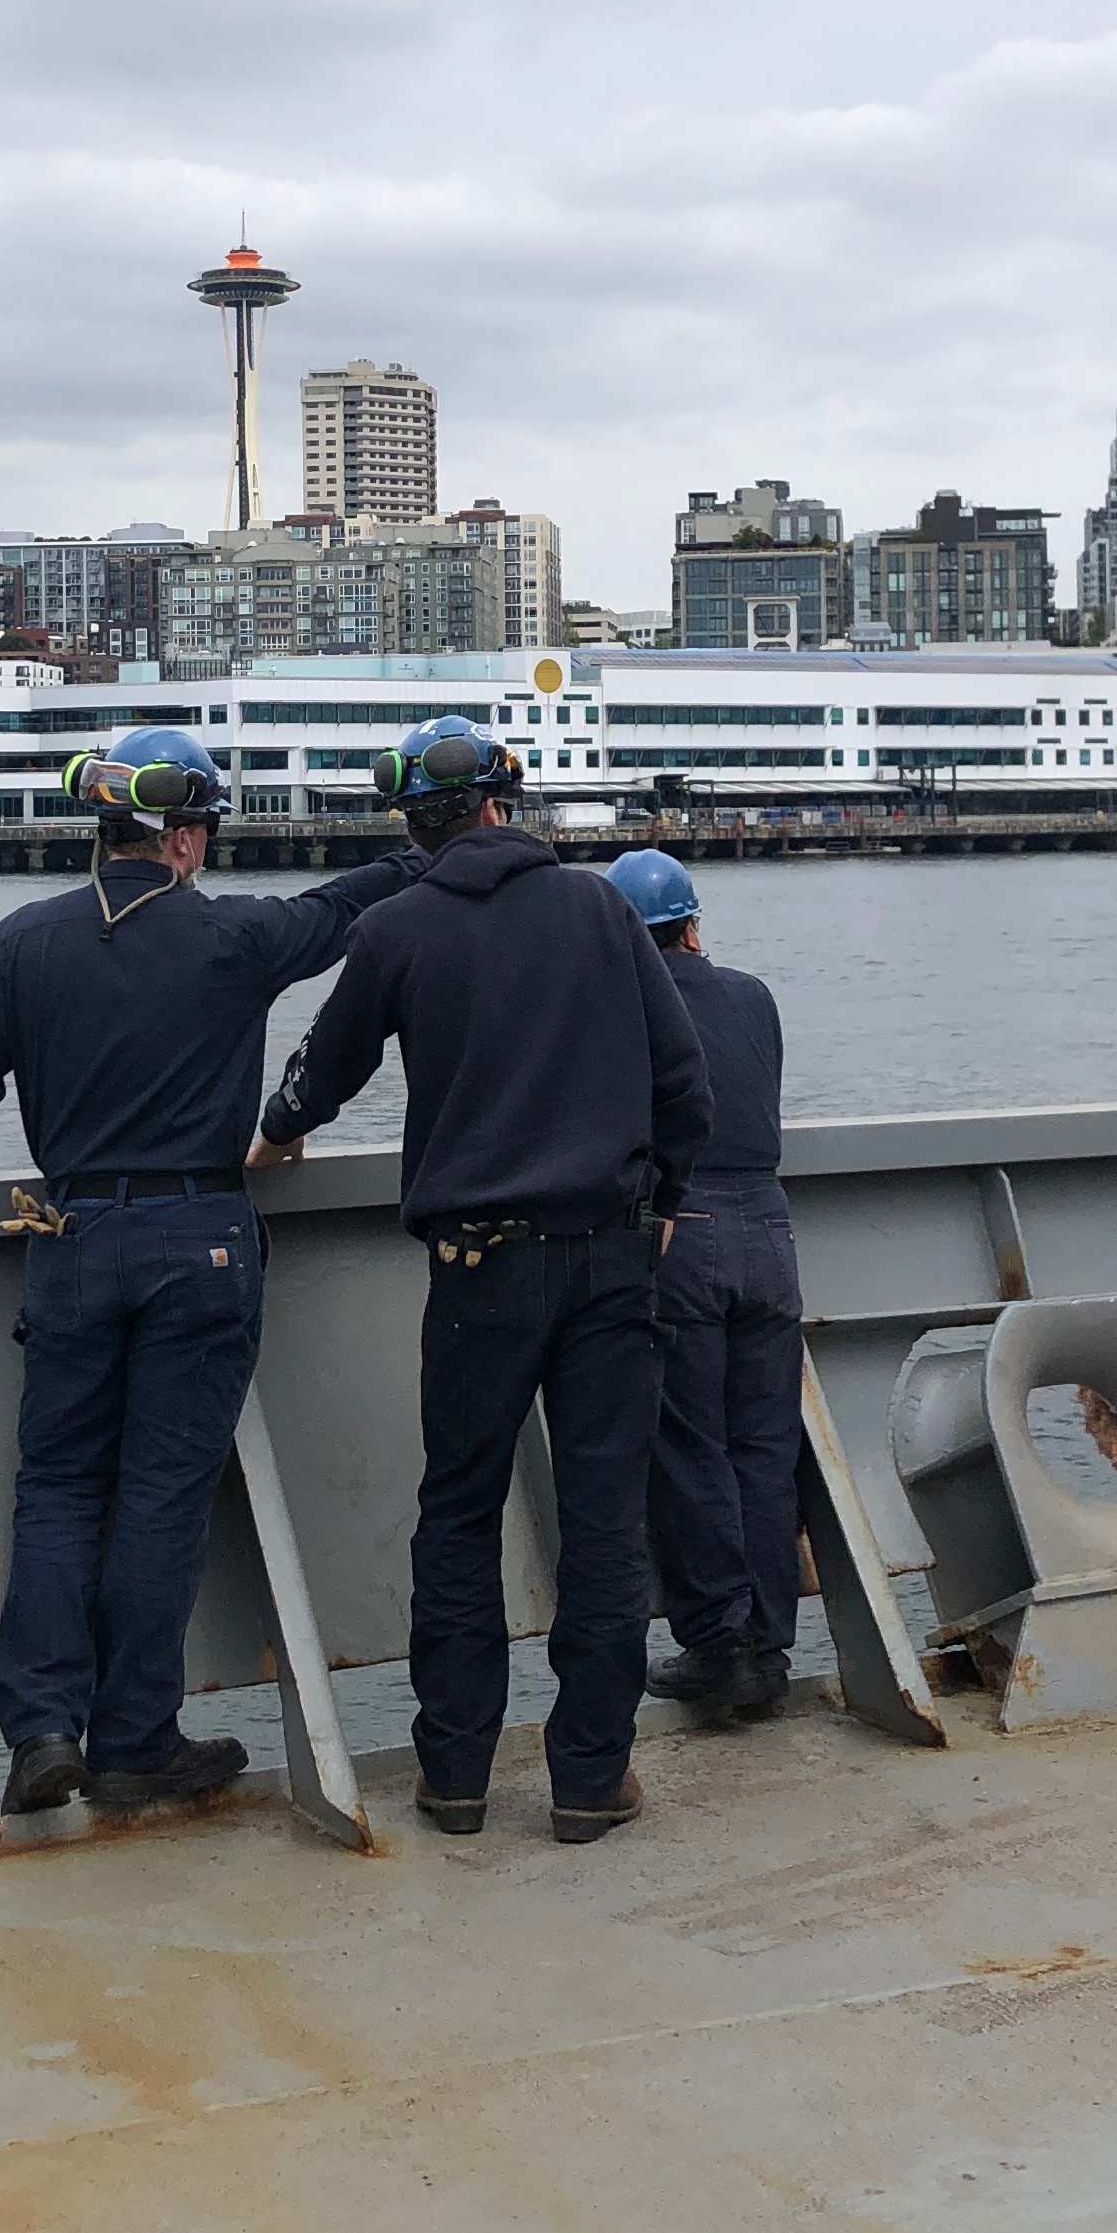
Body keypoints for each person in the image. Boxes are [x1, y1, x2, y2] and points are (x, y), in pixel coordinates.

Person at [0, 725, 425, 1820]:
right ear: (187, 837)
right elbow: (342, 909)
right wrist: (432, 856)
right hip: (199, 1240)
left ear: (105, 833)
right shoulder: (233, 940)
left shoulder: (24, 940)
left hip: (72, 1235)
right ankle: (137, 1739)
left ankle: (43, 1728)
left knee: (55, 1489)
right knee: (159, 1495)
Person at [251, 715, 709, 1844]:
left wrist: (276, 1129)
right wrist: (665, 1203)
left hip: (477, 1269)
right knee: (603, 1522)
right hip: (608, 1259)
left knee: (457, 1516)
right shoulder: (603, 908)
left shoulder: (399, 929)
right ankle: (591, 1779)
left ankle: (454, 1774)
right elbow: (681, 1080)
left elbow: (325, 1069)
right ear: (508, 803)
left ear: (414, 824)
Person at [607, 848, 804, 1722]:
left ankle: (718, 1645)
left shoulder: (619, 1007)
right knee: (764, 1447)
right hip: (769, 1228)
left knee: (688, 1447)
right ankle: (770, 1649)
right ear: (693, 926)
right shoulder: (755, 996)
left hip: (681, 1231)